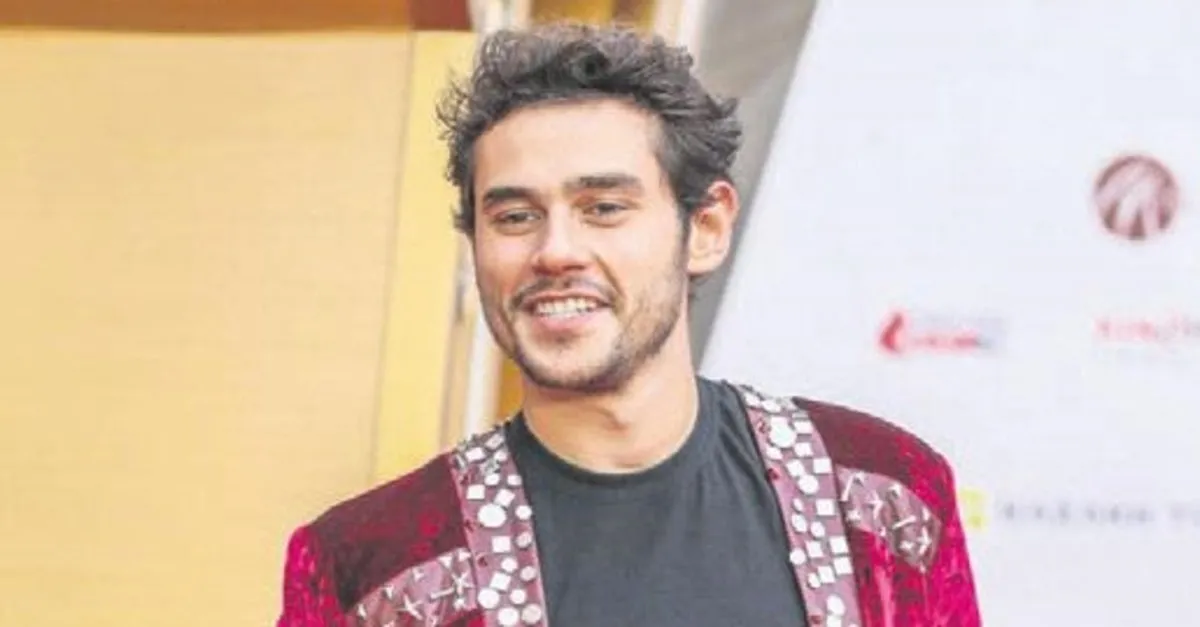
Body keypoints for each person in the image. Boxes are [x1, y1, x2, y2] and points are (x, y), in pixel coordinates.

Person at [276, 22, 982, 627]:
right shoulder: (371, 572)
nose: (555, 251)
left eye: (604, 208)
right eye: (515, 216)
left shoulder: (884, 498)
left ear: (706, 228)